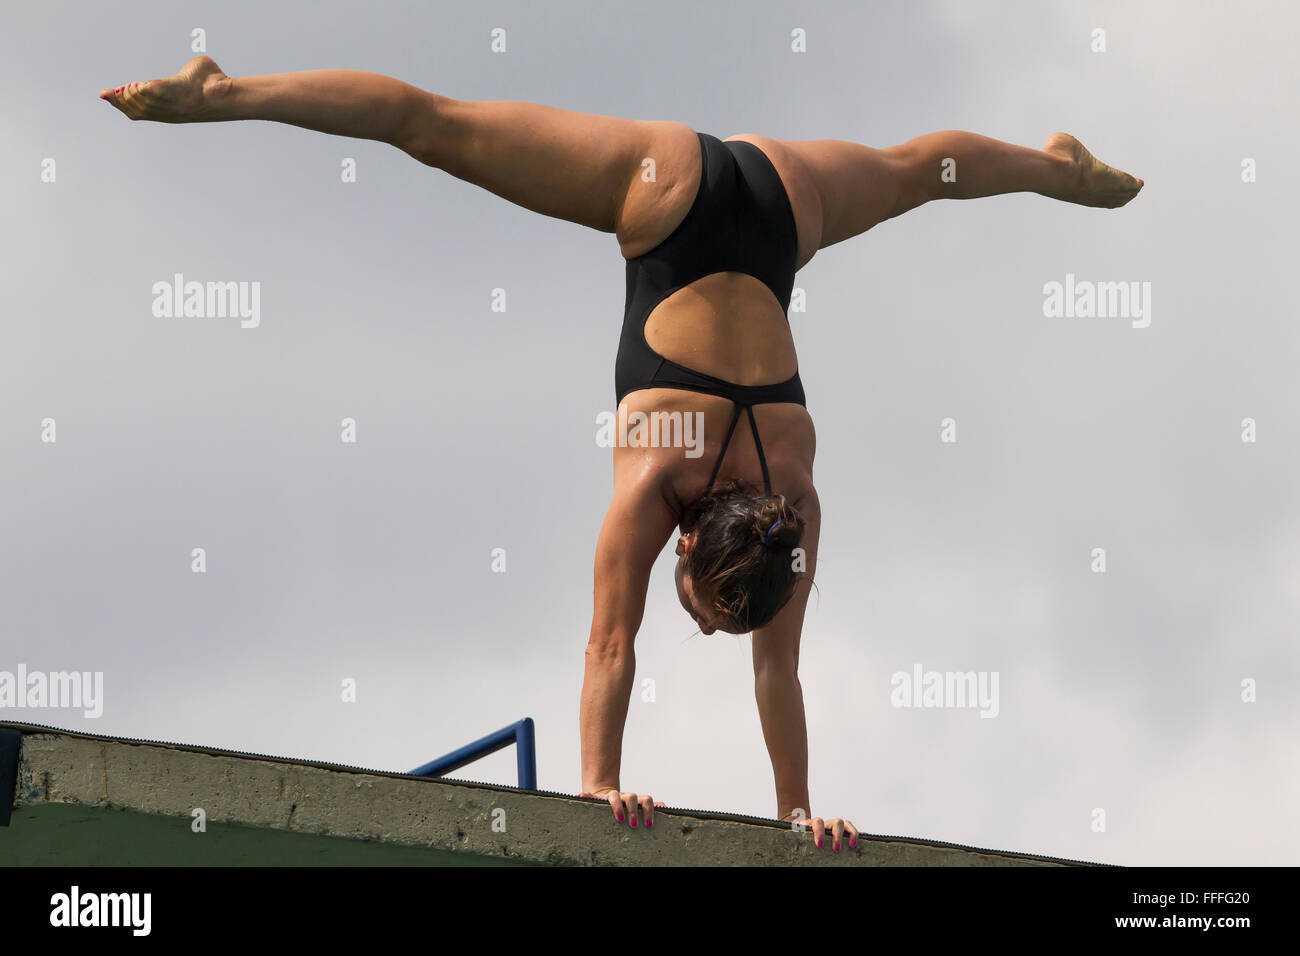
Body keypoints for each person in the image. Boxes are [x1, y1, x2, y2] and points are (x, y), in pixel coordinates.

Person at [101, 56, 1142, 854]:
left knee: (923, 175)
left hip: (783, 200)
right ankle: (221, 92)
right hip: (666, 197)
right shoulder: (657, 479)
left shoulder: (799, 499)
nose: (691, 621)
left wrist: (797, 818)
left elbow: (771, 661)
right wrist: (600, 784)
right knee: (436, 130)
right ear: (685, 546)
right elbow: (614, 645)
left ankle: (1056, 166)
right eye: (699, 606)